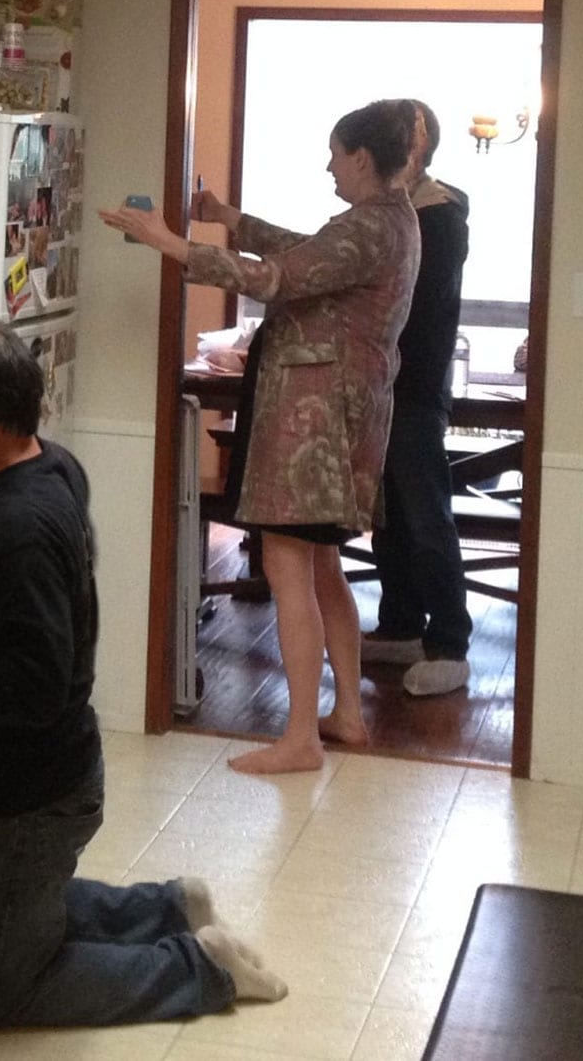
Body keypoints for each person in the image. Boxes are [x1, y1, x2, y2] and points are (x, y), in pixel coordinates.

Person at [0, 314, 286, 1025]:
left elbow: (32, 687)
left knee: (0, 990)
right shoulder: (43, 463)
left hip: (28, 793)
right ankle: (168, 907)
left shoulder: (20, 529)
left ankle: (200, 966)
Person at [102, 100, 420, 774]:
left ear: (362, 157)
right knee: (321, 563)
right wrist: (227, 217)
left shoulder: (369, 225)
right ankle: (348, 716)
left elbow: (276, 277)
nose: (328, 165)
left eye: (335, 153)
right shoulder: (393, 219)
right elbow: (307, 256)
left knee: (285, 564)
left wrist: (169, 243)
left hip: (317, 419)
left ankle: (301, 735)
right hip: (347, 413)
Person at [365, 104, 476, 696]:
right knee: (390, 516)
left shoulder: (440, 215)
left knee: (427, 513)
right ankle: (401, 625)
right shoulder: (392, 211)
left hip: (417, 386)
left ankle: (451, 642)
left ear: (420, 146)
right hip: (382, 384)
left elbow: (407, 302)